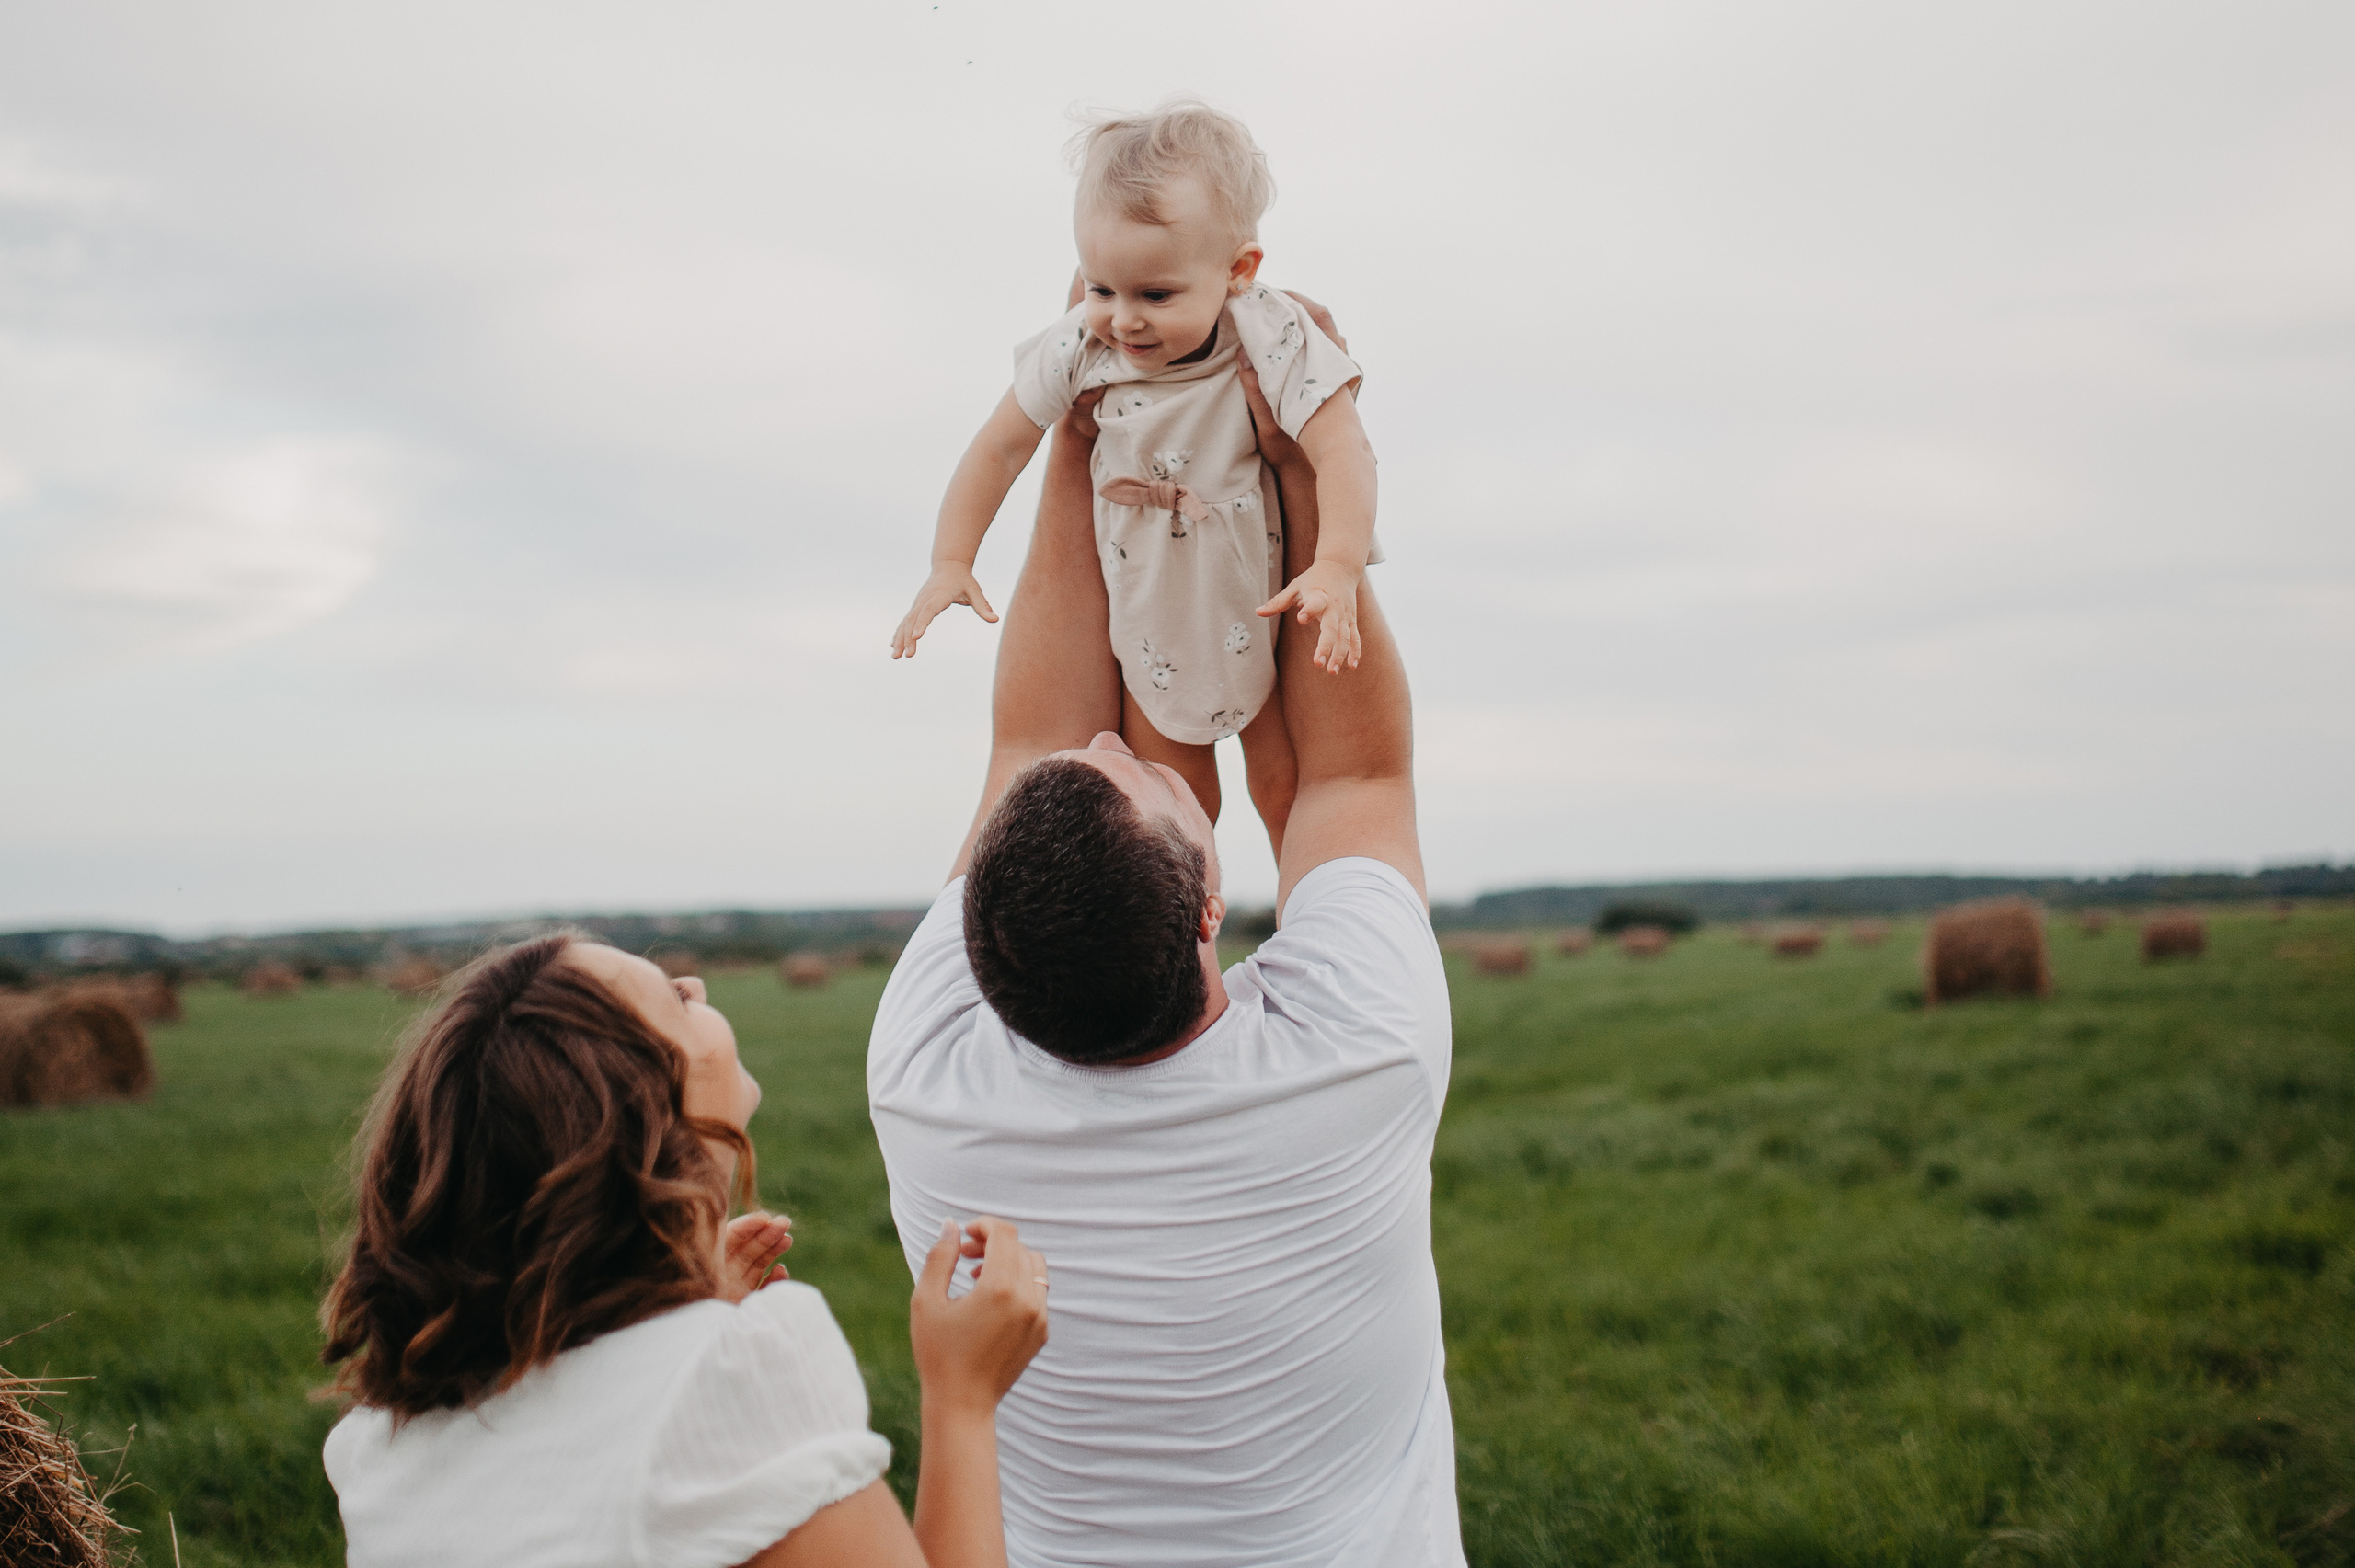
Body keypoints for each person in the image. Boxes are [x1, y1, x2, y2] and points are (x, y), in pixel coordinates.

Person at [869, 316, 1461, 1566]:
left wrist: (1082, 429)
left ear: (976, 942)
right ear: (1207, 910)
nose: (1104, 738)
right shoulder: (1361, 1046)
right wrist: (1292, 453)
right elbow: (1349, 776)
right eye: (1147, 777)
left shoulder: (923, 1074)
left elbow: (1033, 739)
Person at [319, 933, 1051, 1568]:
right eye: (674, 996)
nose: (696, 983)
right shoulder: (734, 1367)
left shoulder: (372, 1447)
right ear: (642, 1111)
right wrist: (962, 1395)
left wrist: (677, 1310)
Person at [890, 99, 1383, 860]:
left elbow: (1343, 446)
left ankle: (1303, 917)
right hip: (1155, 618)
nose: (1124, 320)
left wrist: (1339, 563)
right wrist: (951, 559)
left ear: (1238, 271)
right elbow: (998, 447)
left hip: (1266, 598)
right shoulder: (1083, 348)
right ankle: (1189, 924)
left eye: (1155, 295)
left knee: (1287, 789)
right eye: (1100, 289)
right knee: (1175, 810)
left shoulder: (1271, 329)